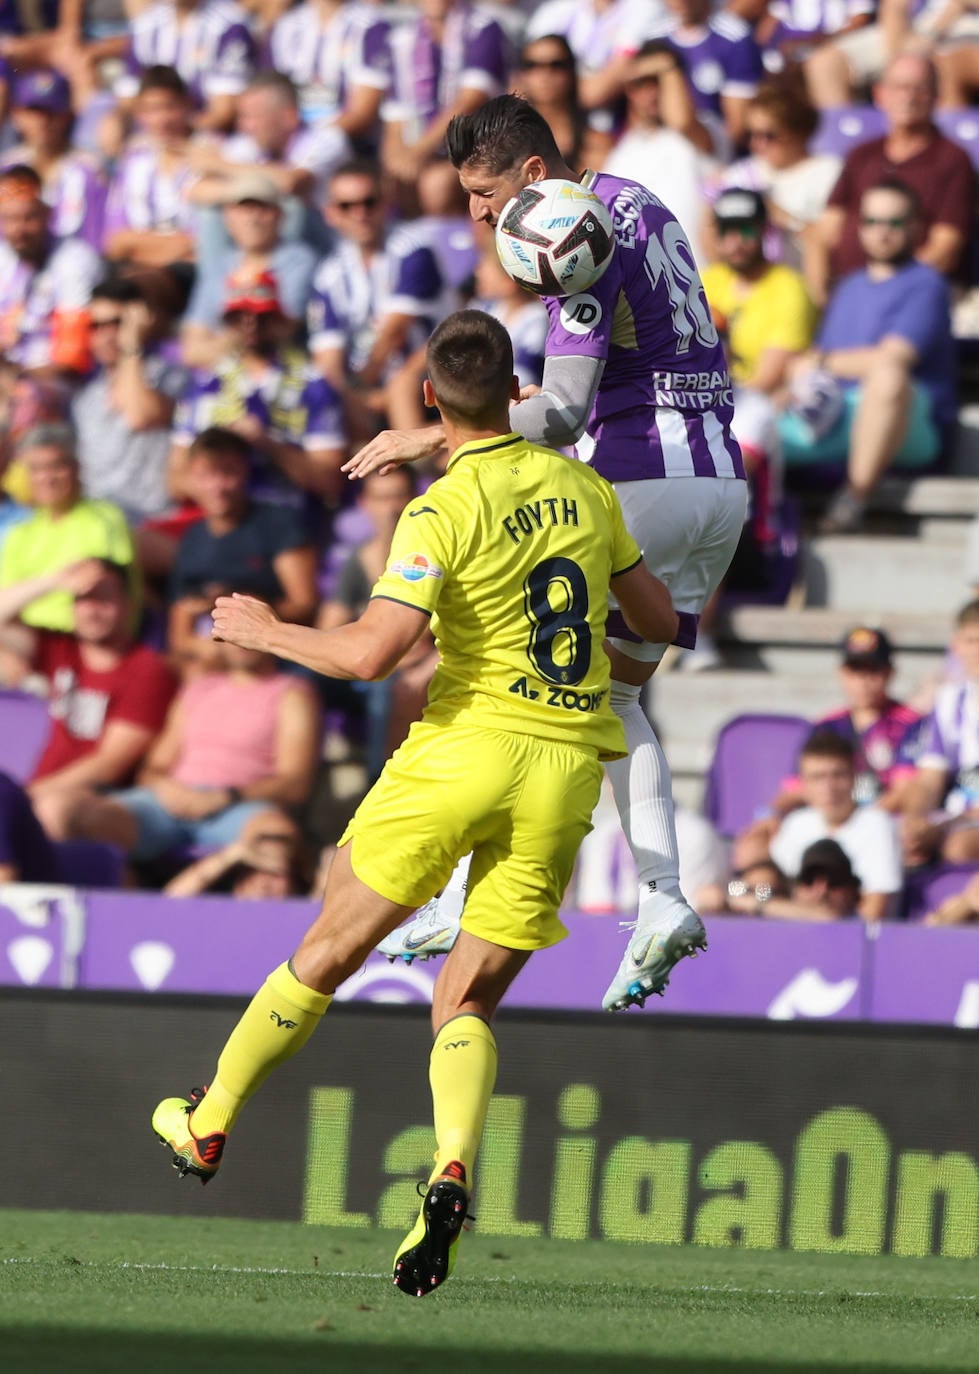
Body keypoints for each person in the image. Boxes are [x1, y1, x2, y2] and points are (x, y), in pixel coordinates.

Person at [149, 308, 679, 1298]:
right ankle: (448, 1171)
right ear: (519, 390)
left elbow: (369, 654)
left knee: (332, 943)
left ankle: (209, 1116)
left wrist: (264, 631)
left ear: (430, 400)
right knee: (466, 997)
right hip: (564, 767)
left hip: (464, 750)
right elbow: (656, 620)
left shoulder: (437, 511)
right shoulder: (585, 489)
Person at [346, 93, 748, 1011]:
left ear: (535, 177)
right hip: (718, 478)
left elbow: (562, 413)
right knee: (614, 696)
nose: (479, 218)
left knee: (518, 679)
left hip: (639, 475)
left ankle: (466, 894)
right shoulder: (637, 197)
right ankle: (660, 897)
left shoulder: (571, 233)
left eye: (486, 194)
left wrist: (437, 433)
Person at [781, 177, 956, 534]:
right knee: (750, 413)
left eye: (894, 222)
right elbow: (815, 361)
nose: (882, 232)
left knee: (887, 375)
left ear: (915, 227)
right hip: (835, 413)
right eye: (872, 221)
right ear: (859, 227)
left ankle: (854, 498)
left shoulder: (928, 283)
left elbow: (892, 358)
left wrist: (820, 362)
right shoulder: (848, 286)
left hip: (906, 423)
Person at [75, 635, 321, 862]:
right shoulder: (197, 689)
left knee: (276, 841)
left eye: (250, 631)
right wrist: (167, 789)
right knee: (73, 818)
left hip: (239, 806)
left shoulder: (291, 693)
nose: (241, 641)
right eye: (233, 632)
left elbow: (295, 782)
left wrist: (224, 797)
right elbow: (154, 767)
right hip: (170, 801)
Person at [0, 557, 176, 842]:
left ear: (129, 605)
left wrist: (26, 797)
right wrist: (54, 581)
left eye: (104, 599)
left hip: (107, 802)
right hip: (42, 791)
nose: (92, 611)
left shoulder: (148, 670)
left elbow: (109, 764)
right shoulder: (61, 649)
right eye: (82, 599)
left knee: (49, 811)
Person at [809, 53, 976, 303]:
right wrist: (820, 292)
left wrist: (882, 291)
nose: (908, 97)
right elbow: (825, 232)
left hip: (915, 297)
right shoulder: (861, 155)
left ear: (935, 97)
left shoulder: (953, 160)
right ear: (880, 94)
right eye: (899, 87)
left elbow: (944, 249)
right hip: (846, 294)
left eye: (919, 88)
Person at [170, 272, 347, 506]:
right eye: (238, 316)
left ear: (280, 321)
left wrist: (268, 444)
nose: (250, 325)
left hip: (288, 515)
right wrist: (221, 482)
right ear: (226, 324)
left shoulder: (313, 385)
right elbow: (175, 480)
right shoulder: (203, 386)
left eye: (261, 316)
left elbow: (330, 482)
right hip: (222, 523)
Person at [168, 426, 317, 670]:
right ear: (190, 477)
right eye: (206, 475)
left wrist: (248, 614)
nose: (218, 486)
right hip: (211, 659)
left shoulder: (278, 525)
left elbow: (304, 606)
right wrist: (213, 643)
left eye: (228, 473)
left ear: (245, 471)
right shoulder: (191, 539)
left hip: (272, 655)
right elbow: (180, 636)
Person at [72, 276, 187, 526]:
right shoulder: (85, 397)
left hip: (154, 520)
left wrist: (131, 347)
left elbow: (140, 415)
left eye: (116, 323)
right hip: (99, 522)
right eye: (96, 325)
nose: (105, 335)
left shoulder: (172, 376)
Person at [0, 424, 135, 632]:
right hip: (28, 637)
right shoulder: (20, 532)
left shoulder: (102, 519)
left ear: (76, 467)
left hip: (79, 642)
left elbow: (105, 597)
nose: (47, 477)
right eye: (36, 469)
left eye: (56, 466)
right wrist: (53, 581)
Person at [181, 169, 319, 367]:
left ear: (280, 215)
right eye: (244, 209)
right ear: (228, 218)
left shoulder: (299, 260)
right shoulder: (219, 265)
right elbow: (192, 348)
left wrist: (219, 345)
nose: (253, 218)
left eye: (263, 209)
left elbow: (279, 330)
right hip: (226, 380)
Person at [766, 729, 902, 921]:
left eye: (838, 775)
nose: (828, 788)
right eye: (817, 777)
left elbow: (873, 913)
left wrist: (765, 906)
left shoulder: (877, 825)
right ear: (802, 784)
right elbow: (759, 889)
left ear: (855, 778)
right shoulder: (796, 824)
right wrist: (752, 896)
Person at [600, 41, 716, 267]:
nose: (652, 92)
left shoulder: (705, 130)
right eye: (641, 84)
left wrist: (666, 68)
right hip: (652, 291)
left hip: (704, 280)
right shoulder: (621, 153)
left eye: (659, 81)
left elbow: (681, 121)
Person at [0, 163, 101, 375]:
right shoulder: (4, 257)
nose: (19, 230)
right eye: (9, 219)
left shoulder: (74, 261)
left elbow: (70, 360)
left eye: (29, 218)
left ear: (47, 214)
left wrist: (13, 378)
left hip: (57, 385)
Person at [900, 598, 979, 867]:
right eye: (971, 641)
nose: (977, 650)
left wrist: (944, 827)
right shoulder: (949, 700)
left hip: (963, 824)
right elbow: (929, 779)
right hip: (957, 816)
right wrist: (915, 820)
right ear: (956, 645)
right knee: (901, 842)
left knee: (958, 847)